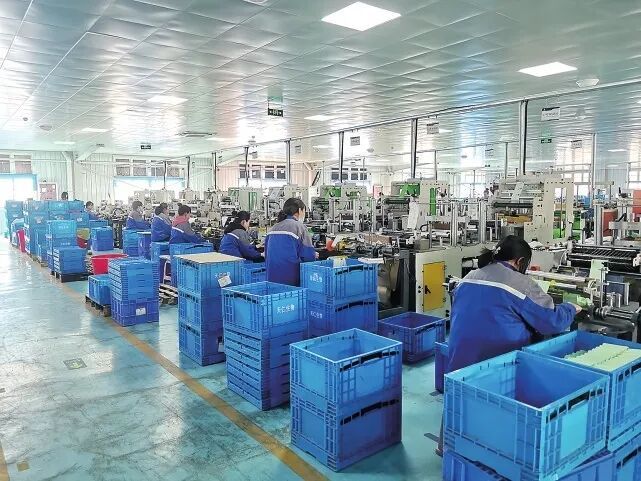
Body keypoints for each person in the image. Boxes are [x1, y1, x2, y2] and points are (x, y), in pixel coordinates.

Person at [436, 235, 580, 456]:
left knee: (458, 401)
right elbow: (551, 321)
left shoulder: (469, 277)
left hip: (460, 357)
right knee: (496, 409)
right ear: (520, 261)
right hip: (494, 363)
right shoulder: (520, 284)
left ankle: (446, 447)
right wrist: (571, 308)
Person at [264, 198, 318, 286]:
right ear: (300, 210)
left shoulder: (273, 228)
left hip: (271, 278)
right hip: (291, 280)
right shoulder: (300, 227)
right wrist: (313, 255)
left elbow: (267, 254)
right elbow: (308, 257)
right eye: (304, 211)